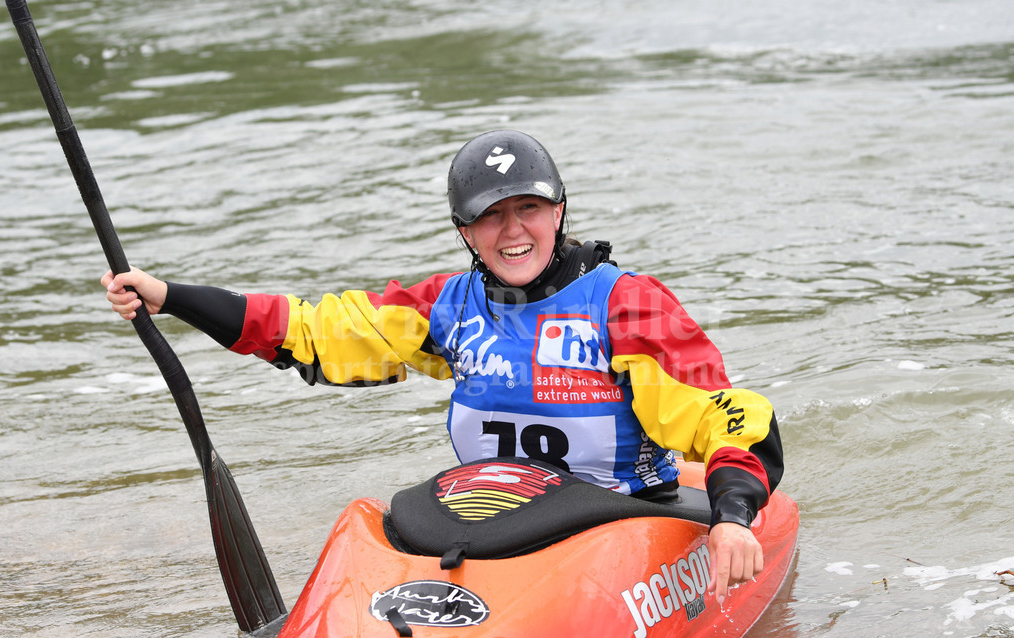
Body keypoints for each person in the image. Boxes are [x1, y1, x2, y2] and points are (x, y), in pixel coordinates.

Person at [103, 129, 784, 605]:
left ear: (560, 211)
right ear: (464, 229)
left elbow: (722, 413)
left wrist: (732, 512)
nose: (513, 231)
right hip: (497, 523)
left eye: (529, 209)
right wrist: (171, 297)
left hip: (616, 525)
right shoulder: (449, 307)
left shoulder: (627, 303)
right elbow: (314, 333)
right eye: (490, 217)